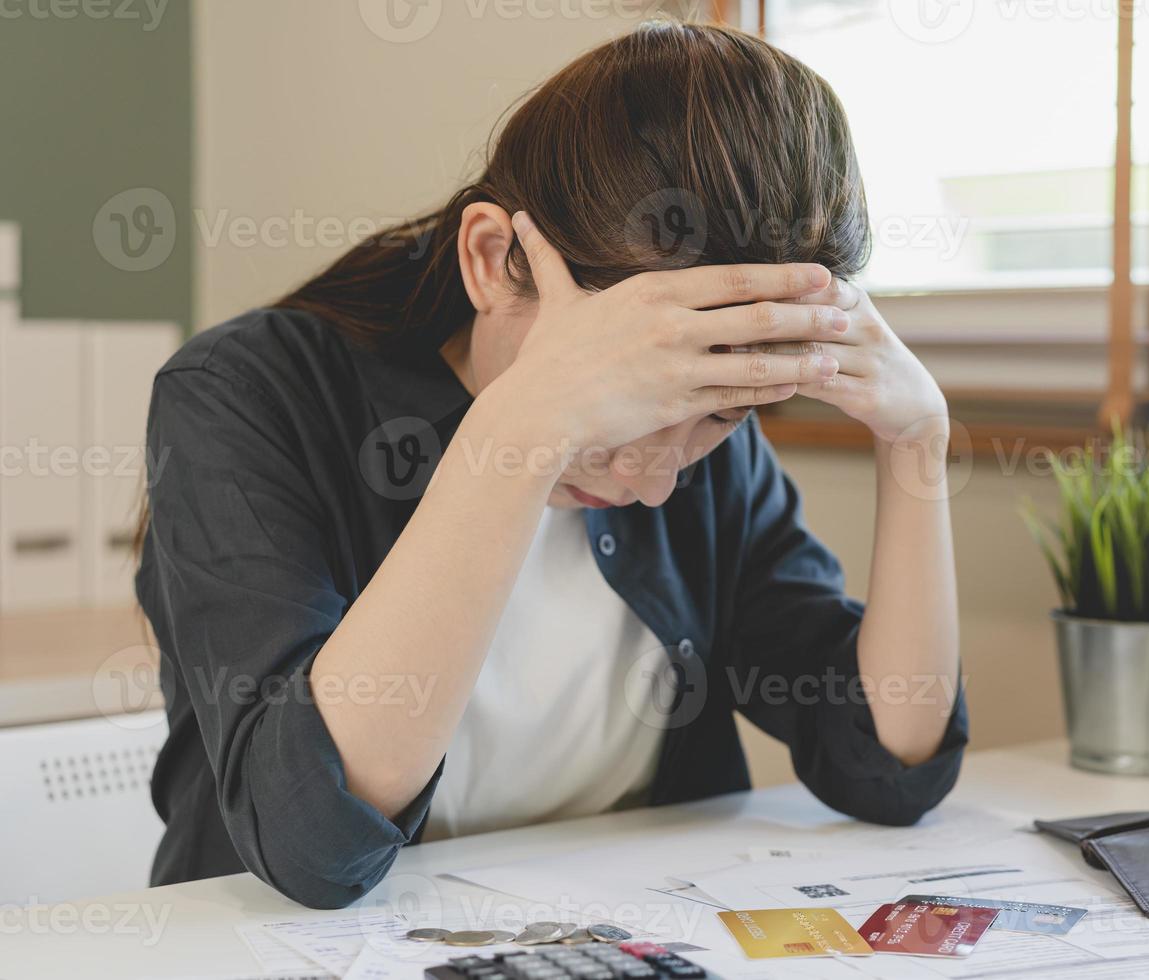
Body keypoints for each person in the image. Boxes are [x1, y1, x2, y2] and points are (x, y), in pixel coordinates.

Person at [138, 21, 965, 910]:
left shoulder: (706, 446)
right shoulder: (245, 397)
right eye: (632, 405)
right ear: (496, 260)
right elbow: (314, 845)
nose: (656, 482)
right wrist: (521, 432)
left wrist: (916, 445)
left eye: (716, 420)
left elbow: (889, 762)